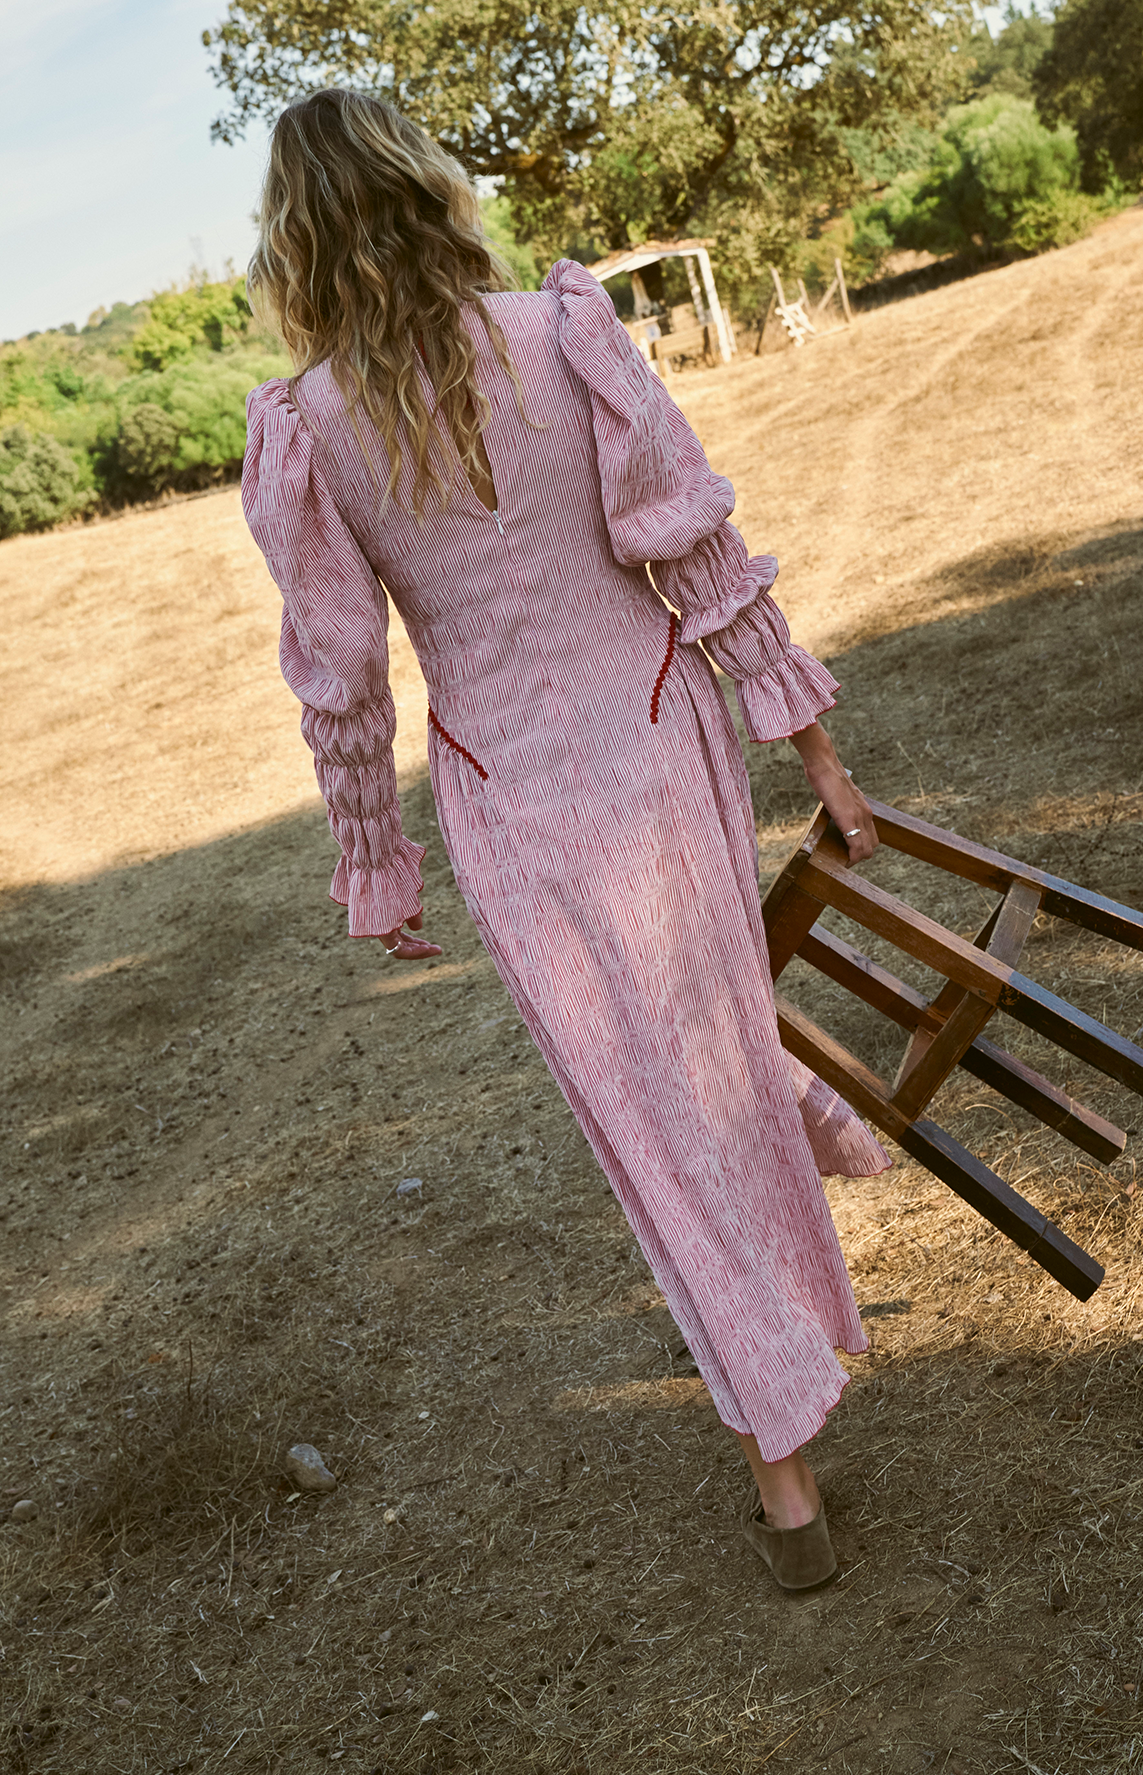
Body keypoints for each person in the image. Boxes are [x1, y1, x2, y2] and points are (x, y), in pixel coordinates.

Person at [242, 88, 890, 1594]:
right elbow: (697, 552)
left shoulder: (311, 427)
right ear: (425, 185)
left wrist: (378, 866)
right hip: (652, 742)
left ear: (294, 240)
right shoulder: (560, 328)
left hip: (516, 795)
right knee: (700, 1054)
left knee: (651, 1109)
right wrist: (816, 751)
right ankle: (793, 1276)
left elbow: (343, 684)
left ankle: (784, 1473)